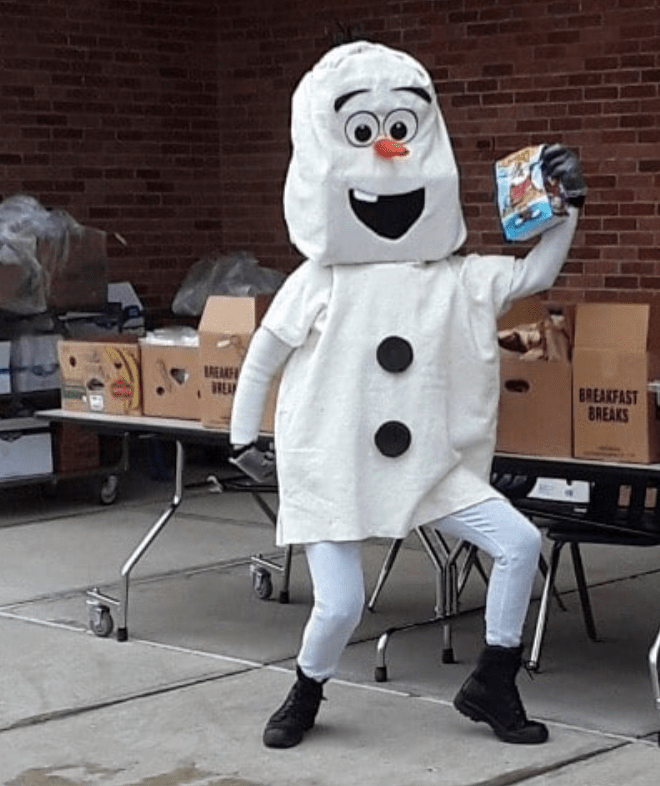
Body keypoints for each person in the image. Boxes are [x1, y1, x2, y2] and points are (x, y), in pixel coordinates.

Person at [228, 40, 585, 749]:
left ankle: (494, 679)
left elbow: (533, 276)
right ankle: (306, 688)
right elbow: (263, 354)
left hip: (430, 466)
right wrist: (242, 438)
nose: (389, 153)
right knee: (340, 606)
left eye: (401, 132)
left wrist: (566, 208)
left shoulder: (455, 276)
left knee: (517, 542)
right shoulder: (319, 280)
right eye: (364, 134)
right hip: (332, 465)